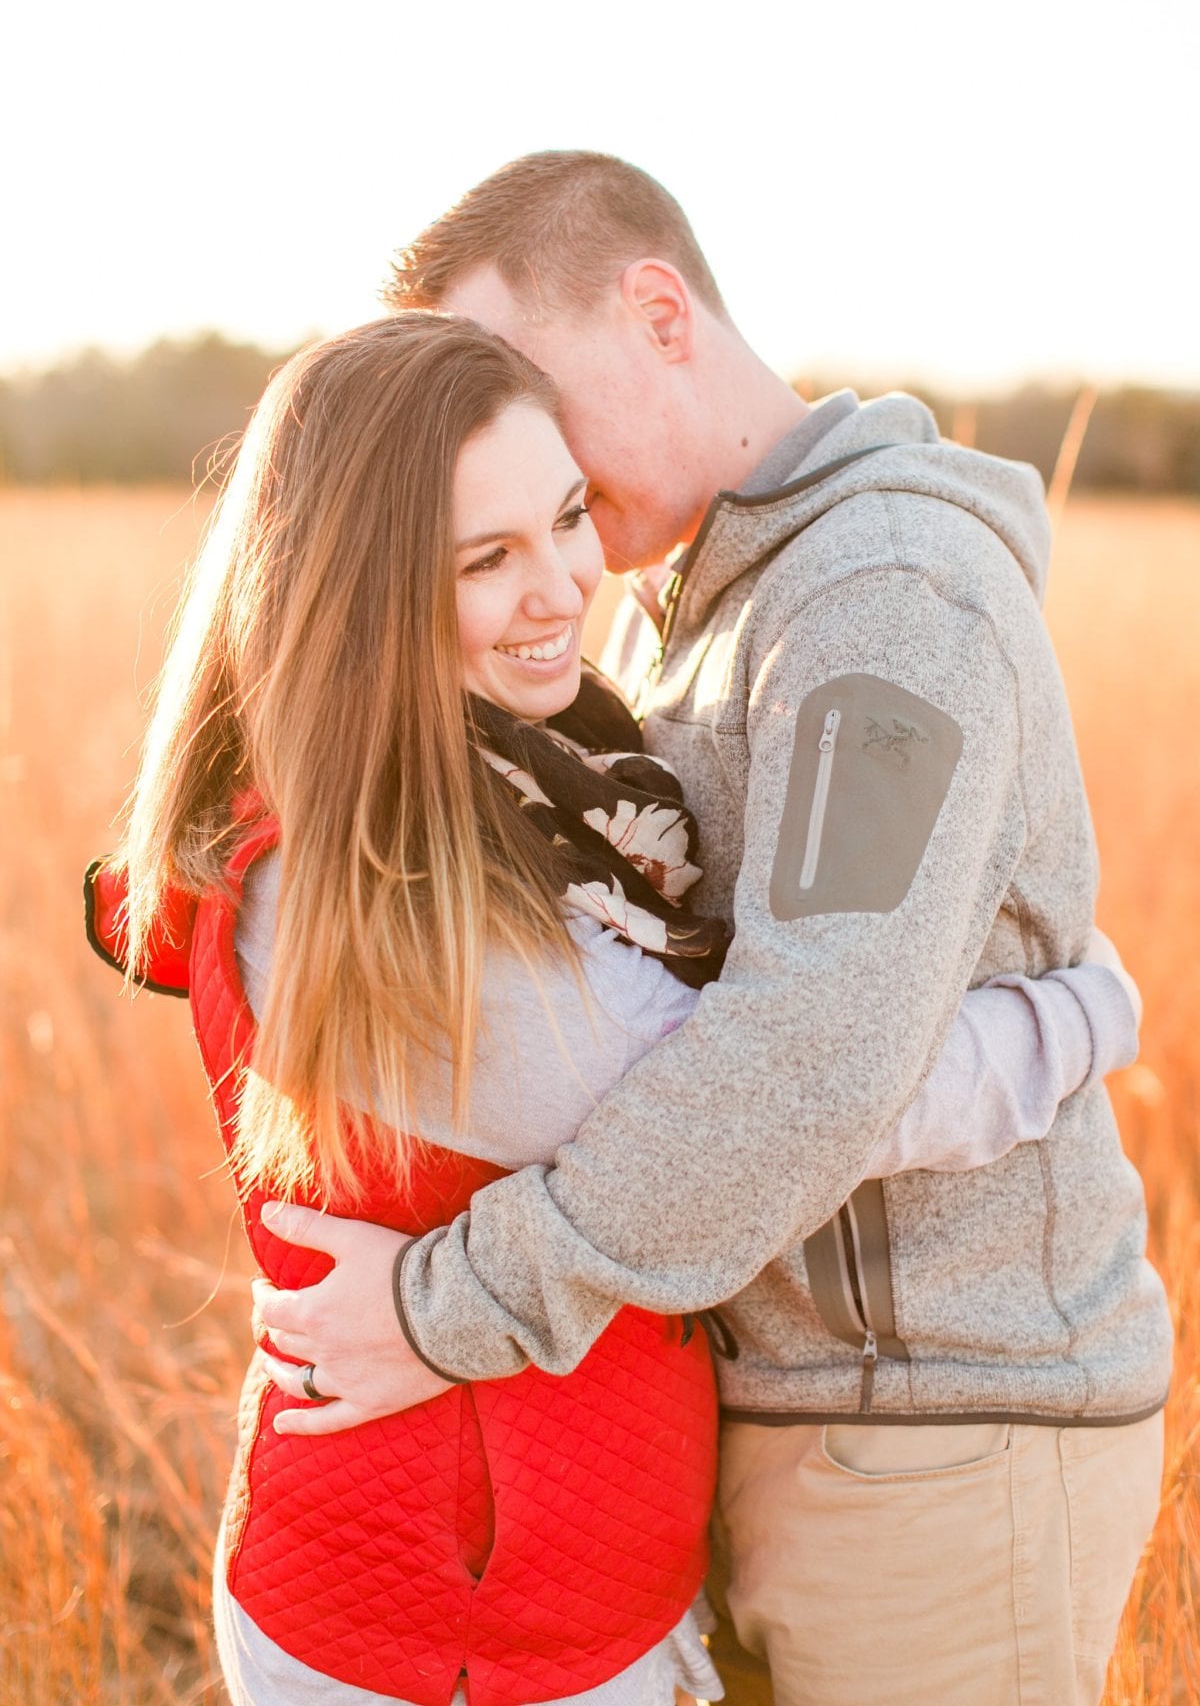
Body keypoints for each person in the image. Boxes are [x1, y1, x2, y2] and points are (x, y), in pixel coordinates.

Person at [253, 154, 1174, 1706]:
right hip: (794, 1420)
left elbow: (805, 1059)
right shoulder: (684, 607)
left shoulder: (880, 598)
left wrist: (447, 1311)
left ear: (658, 311)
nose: (519, 456)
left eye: (527, 390)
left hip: (941, 1429)